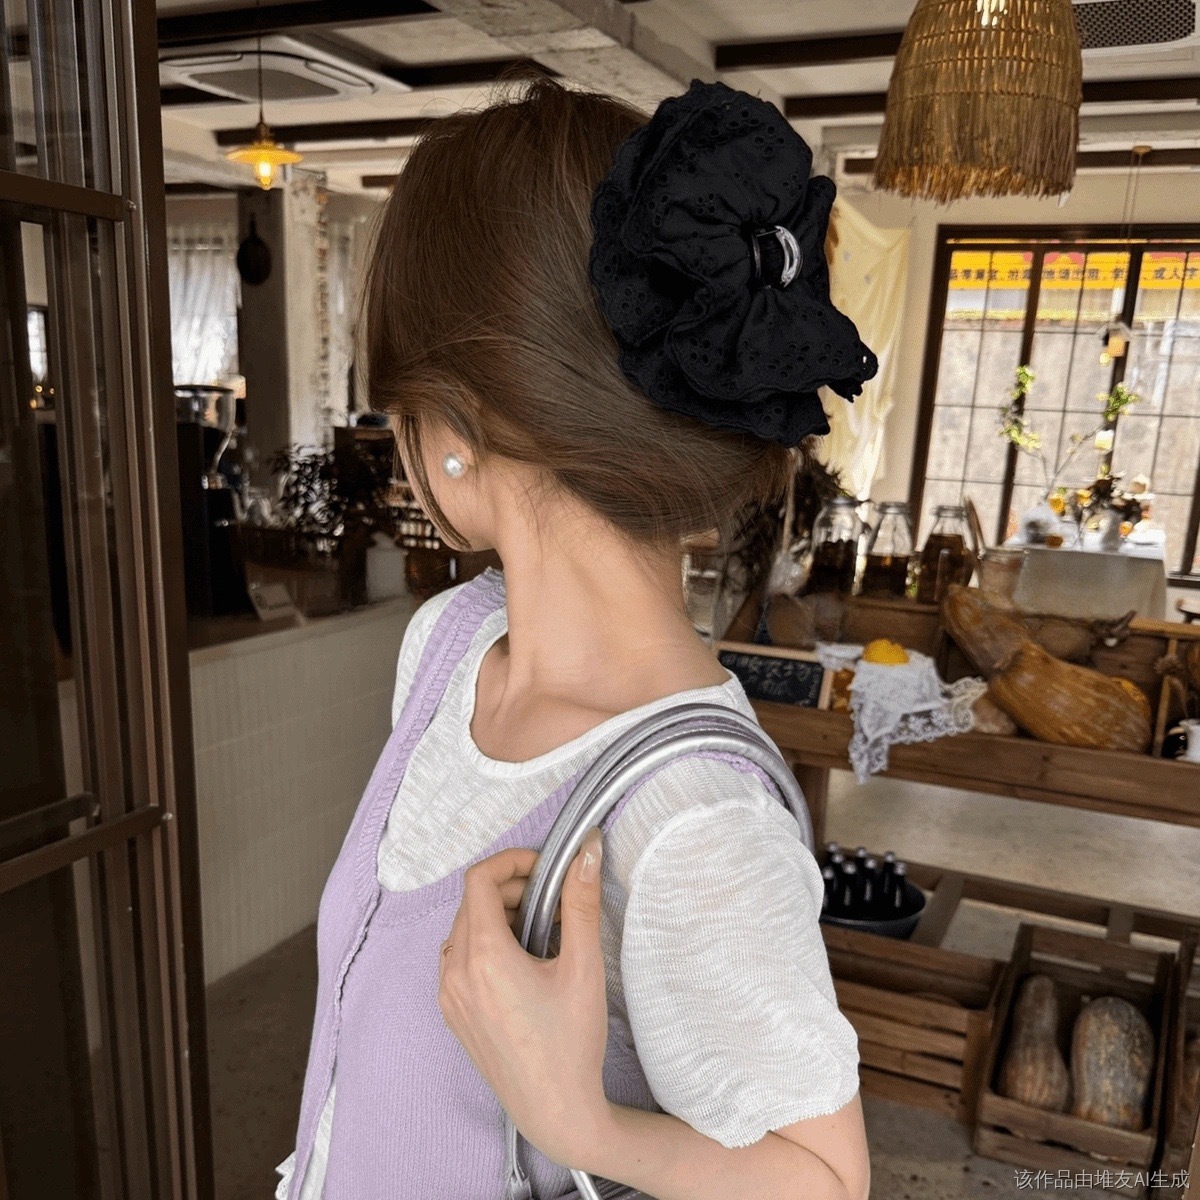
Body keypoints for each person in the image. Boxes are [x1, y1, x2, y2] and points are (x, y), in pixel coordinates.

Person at [276, 77, 878, 1200]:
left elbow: (825, 1182)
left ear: (453, 428)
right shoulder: (448, 647)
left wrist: (578, 1123)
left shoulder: (690, 817)